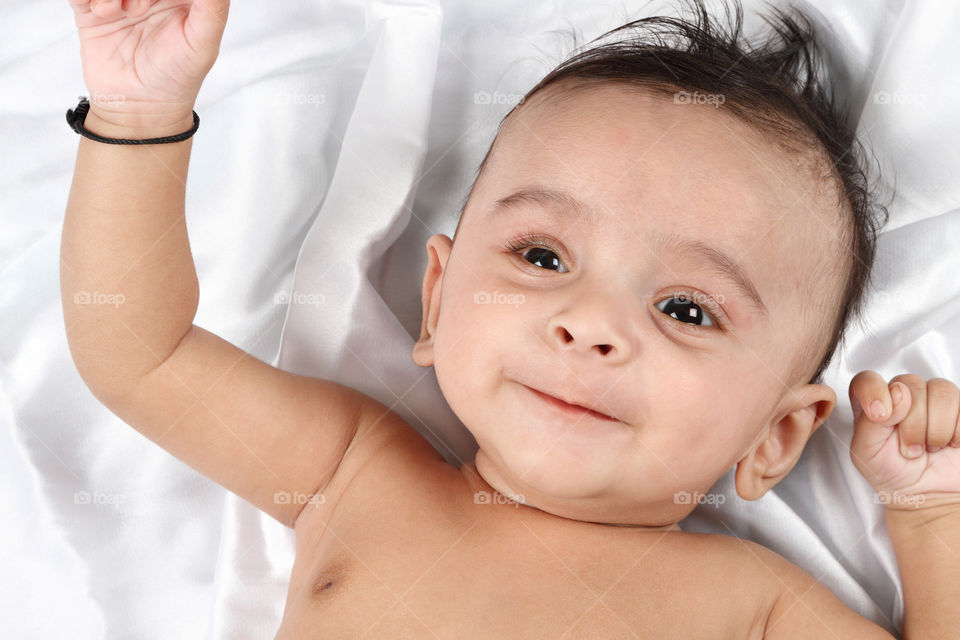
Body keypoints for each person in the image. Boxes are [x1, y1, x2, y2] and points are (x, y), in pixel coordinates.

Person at [61, 0, 960, 637]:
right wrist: (136, 118)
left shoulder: (752, 602)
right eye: (543, 257)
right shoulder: (355, 474)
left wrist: (930, 518)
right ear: (438, 300)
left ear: (776, 436)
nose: (589, 323)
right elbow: (142, 356)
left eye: (686, 309)